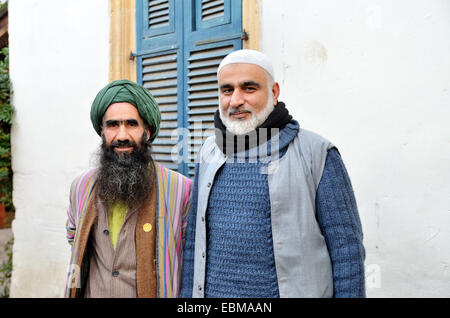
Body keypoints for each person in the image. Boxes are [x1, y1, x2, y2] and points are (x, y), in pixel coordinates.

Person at [180, 50, 366, 298]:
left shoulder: (317, 153)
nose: (235, 100)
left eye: (248, 88)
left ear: (274, 92)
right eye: (227, 90)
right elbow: (194, 240)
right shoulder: (208, 152)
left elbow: (347, 251)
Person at [65, 79, 192, 298]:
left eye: (131, 124)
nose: (122, 135)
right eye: (113, 125)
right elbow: (74, 239)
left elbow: (192, 260)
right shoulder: (81, 187)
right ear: (102, 132)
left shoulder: (181, 189)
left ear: (147, 131)